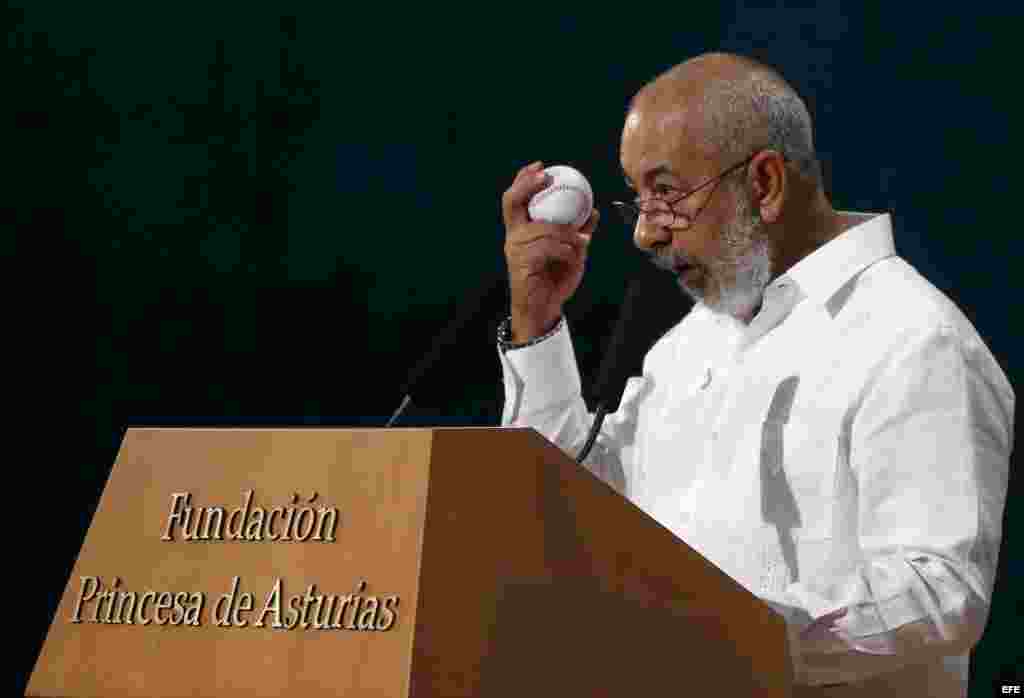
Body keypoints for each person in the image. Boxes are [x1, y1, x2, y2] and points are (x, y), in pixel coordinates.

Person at [495, 52, 1014, 696]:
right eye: (640, 198)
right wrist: (536, 319)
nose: (645, 235)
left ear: (764, 184)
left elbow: (942, 593)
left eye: (668, 192)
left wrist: (727, 630)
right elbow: (565, 501)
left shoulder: (913, 337)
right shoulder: (689, 344)